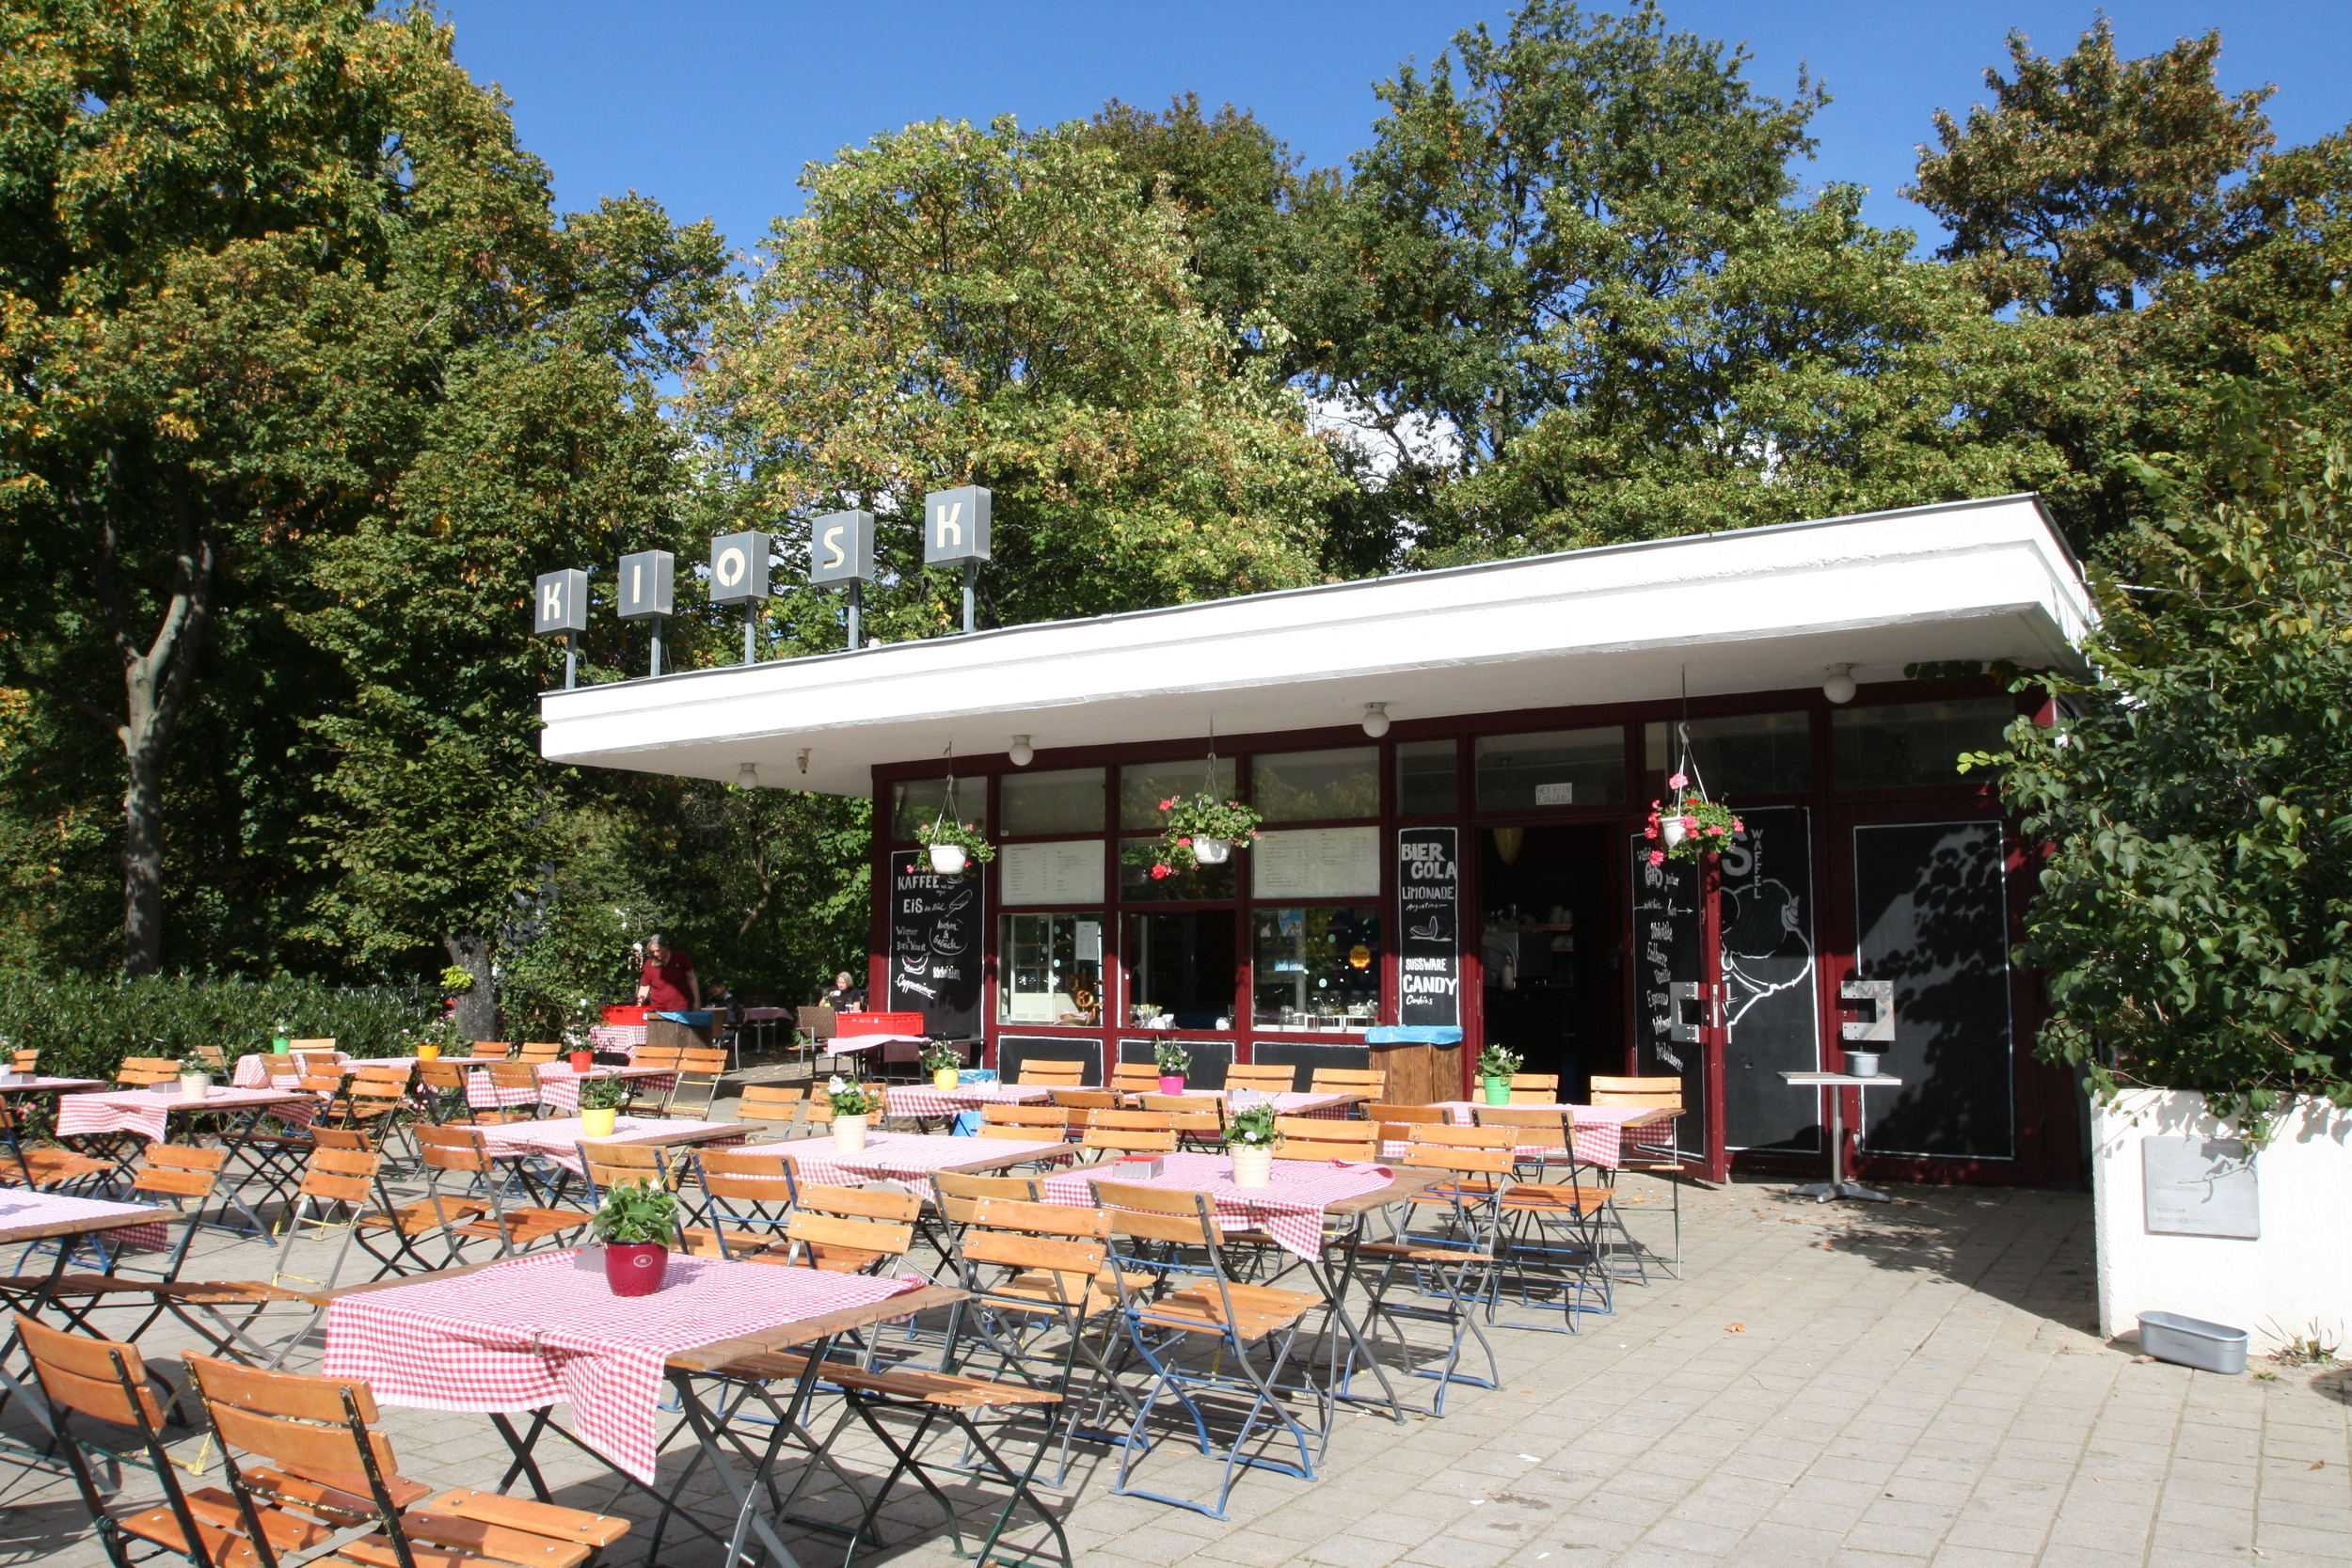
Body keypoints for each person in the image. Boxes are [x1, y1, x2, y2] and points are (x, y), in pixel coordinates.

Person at [637, 933, 701, 1011]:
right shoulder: (649, 964)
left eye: (658, 950)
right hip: (658, 1010)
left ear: (665, 947)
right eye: (652, 952)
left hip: (681, 1008)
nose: (655, 954)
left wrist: (697, 1001)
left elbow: (692, 980)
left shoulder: (681, 958)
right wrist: (639, 1003)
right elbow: (644, 986)